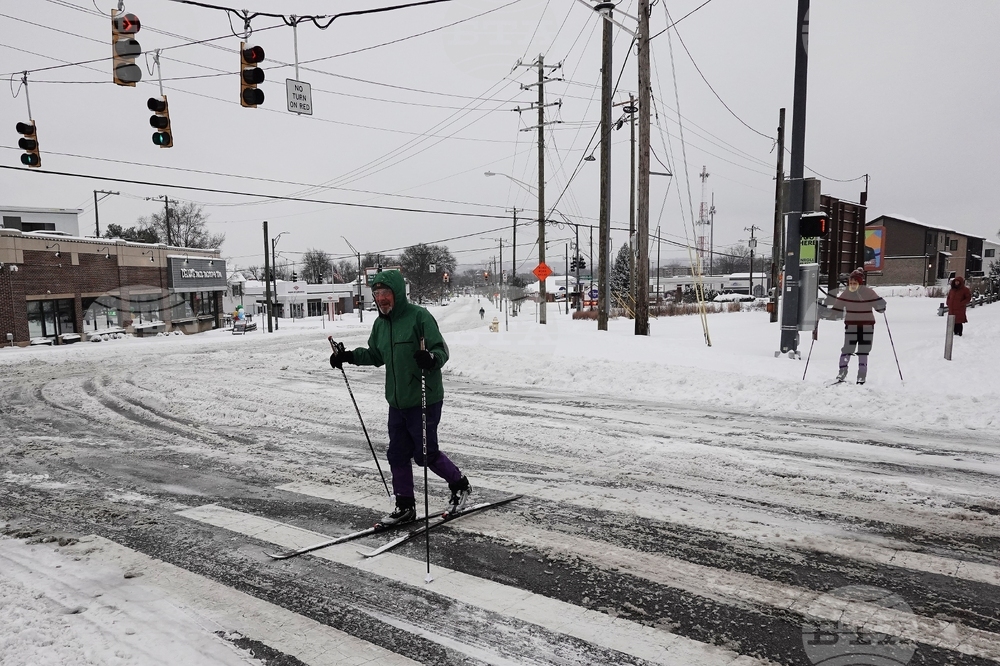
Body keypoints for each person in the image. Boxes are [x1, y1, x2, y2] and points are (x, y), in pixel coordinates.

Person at [330, 269, 471, 525]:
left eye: (386, 293)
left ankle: (460, 485)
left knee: (425, 454)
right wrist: (348, 356)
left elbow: (441, 349)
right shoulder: (380, 324)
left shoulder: (419, 316)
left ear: (397, 294)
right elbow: (375, 355)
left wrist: (431, 358)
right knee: (397, 454)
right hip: (396, 401)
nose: (381, 298)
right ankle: (405, 505)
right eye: (377, 293)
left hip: (423, 398)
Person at [829, 268, 886, 385]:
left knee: (863, 350)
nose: (852, 285)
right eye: (850, 283)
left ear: (860, 283)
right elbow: (837, 307)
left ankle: (861, 375)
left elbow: (878, 306)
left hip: (867, 326)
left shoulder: (869, 293)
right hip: (851, 325)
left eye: (855, 283)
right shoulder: (846, 293)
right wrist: (825, 312)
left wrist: (881, 306)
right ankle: (842, 372)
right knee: (847, 349)